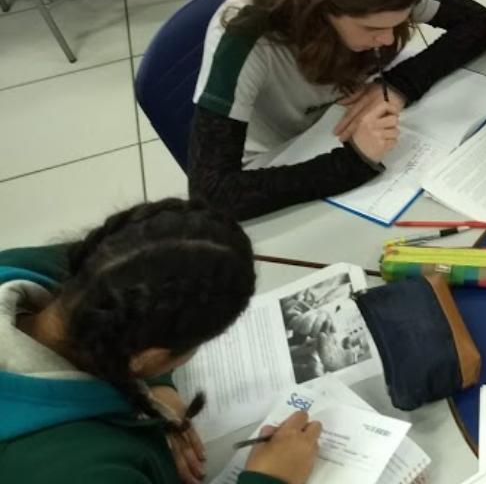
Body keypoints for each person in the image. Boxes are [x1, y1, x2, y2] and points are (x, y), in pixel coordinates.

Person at [188, 0, 486, 222]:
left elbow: (483, 23)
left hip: (345, 121)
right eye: (371, 29)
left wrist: (400, 85)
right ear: (322, 7)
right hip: (282, 157)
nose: (387, 39)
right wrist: (355, 162)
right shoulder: (245, 37)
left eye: (399, 23)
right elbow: (211, 193)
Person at [0, 199, 322, 484]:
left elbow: (130, 297)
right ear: (146, 355)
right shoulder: (81, 469)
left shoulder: (66, 267)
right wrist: (270, 478)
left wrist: (157, 385)